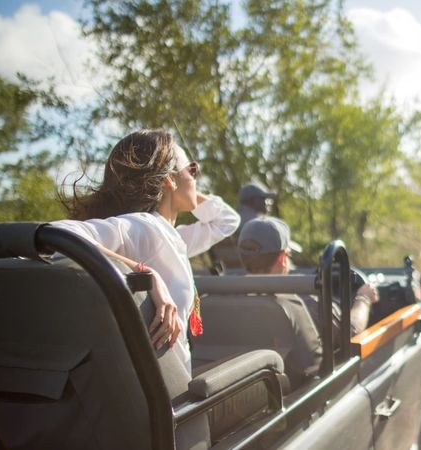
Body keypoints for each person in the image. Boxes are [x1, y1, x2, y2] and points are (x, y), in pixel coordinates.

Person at [54, 129, 240, 375]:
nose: (196, 178)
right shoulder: (146, 227)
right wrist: (145, 273)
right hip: (170, 395)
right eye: (192, 170)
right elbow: (58, 234)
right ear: (169, 179)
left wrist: (184, 180)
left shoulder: (170, 237)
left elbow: (227, 220)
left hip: (164, 383)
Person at [236, 217, 378, 381]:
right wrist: (363, 298)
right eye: (289, 255)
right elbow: (351, 330)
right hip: (305, 391)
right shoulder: (303, 300)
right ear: (282, 258)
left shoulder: (221, 298)